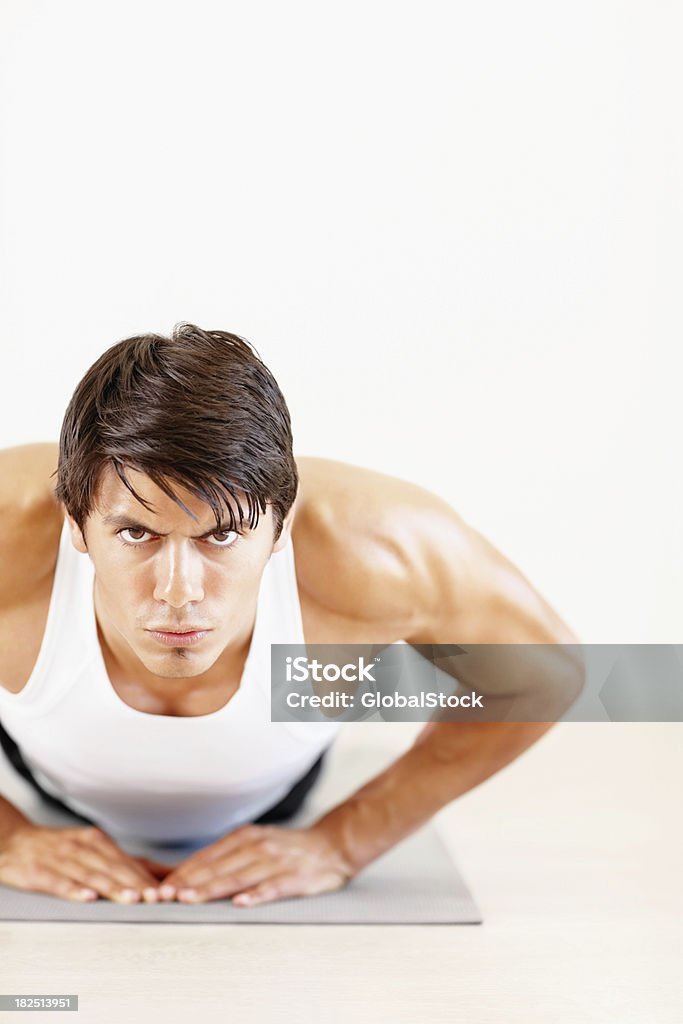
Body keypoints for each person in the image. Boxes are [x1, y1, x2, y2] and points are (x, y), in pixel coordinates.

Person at [0, 324, 584, 908]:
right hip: (45, 770)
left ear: (281, 525)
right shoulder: (12, 527)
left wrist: (346, 841)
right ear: (73, 522)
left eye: (222, 534)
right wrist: (8, 838)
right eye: (135, 532)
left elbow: (545, 674)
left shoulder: (377, 548)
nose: (179, 592)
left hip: (274, 786)